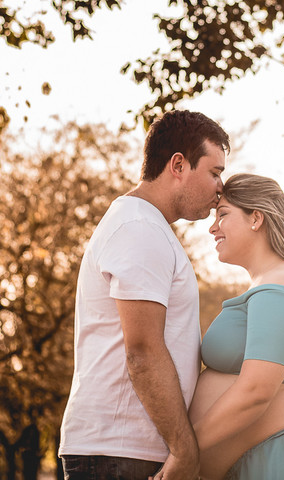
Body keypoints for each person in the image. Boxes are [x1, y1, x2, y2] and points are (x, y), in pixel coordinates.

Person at [60, 110, 230, 480]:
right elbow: (142, 351)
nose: (221, 187)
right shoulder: (139, 228)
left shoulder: (144, 225)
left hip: (126, 453)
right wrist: (185, 452)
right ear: (179, 165)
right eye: (215, 172)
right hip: (119, 455)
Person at [154, 173, 284, 480]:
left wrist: (184, 453)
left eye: (223, 215)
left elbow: (255, 391)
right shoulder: (273, 282)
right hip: (268, 457)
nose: (212, 227)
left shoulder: (282, 282)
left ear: (256, 219)